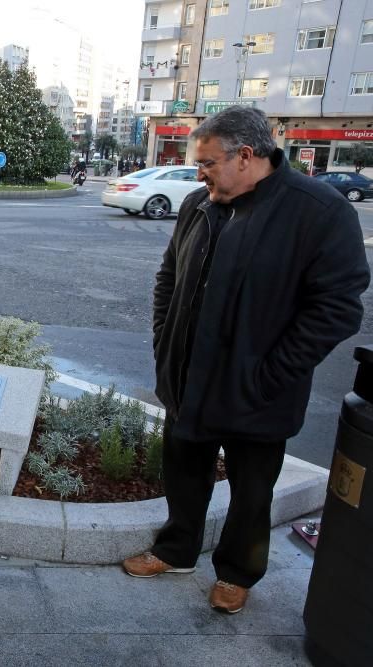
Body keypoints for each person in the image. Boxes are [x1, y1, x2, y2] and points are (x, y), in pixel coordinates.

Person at [122, 106, 369, 614]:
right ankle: (176, 550)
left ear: (247, 156)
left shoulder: (318, 211)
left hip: (258, 394)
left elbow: (337, 309)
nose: (199, 172)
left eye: (208, 162)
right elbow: (168, 279)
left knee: (252, 491)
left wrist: (269, 376)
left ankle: (236, 573)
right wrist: (164, 344)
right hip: (187, 379)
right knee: (184, 472)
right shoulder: (198, 204)